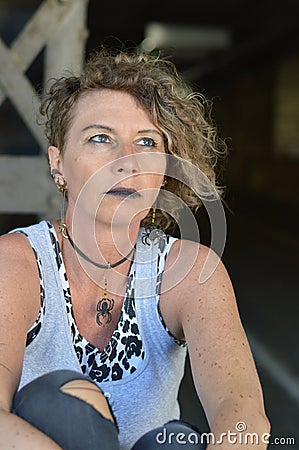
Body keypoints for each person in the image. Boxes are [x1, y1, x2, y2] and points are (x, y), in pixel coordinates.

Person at [0, 48, 270, 450]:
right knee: (58, 402)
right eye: (100, 138)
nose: (126, 161)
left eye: (146, 141)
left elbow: (243, 412)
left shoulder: (190, 269)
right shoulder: (17, 261)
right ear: (58, 163)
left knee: (174, 442)